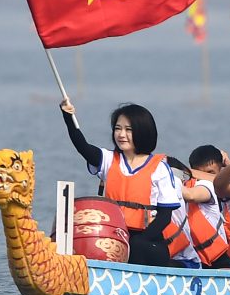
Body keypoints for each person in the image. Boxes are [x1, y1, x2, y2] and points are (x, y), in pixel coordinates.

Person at [60, 99, 196, 267]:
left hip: (148, 240)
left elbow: (165, 217)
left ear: (142, 132)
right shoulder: (109, 160)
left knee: (137, 247)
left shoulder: (160, 168)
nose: (121, 134)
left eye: (128, 130)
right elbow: (83, 147)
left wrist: (137, 242)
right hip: (114, 235)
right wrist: (68, 117)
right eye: (118, 128)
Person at [179, 144, 230, 268]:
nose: (204, 177)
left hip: (221, 256)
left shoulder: (209, 186)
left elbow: (191, 196)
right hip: (196, 257)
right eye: (201, 173)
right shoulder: (191, 184)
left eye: (210, 173)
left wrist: (229, 164)